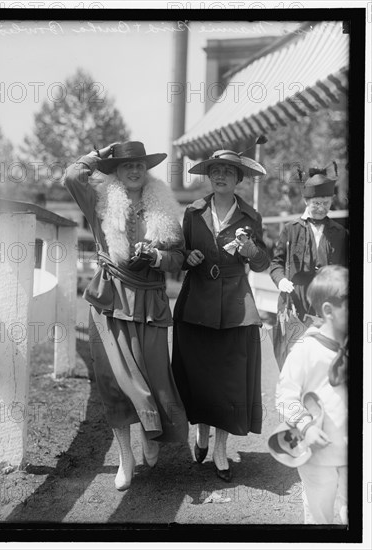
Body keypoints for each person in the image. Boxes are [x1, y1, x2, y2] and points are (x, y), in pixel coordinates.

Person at [64, 141, 189, 491]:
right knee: (112, 378)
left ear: (146, 170)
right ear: (116, 171)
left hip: (150, 301)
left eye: (139, 165)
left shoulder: (164, 207)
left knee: (153, 378)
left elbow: (179, 257)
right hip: (109, 299)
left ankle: (150, 435)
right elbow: (73, 176)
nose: (134, 171)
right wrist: (98, 155)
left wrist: (158, 258)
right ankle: (124, 456)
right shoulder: (100, 202)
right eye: (125, 166)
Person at [172, 148, 270, 482]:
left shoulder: (251, 216)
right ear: (208, 176)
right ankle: (201, 432)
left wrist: (251, 251)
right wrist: (189, 258)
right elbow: (178, 255)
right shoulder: (193, 212)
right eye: (215, 170)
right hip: (196, 303)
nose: (221, 176)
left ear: (239, 178)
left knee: (229, 380)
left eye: (228, 171)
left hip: (235, 308)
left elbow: (261, 262)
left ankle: (220, 449)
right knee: (199, 375)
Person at [274, 265, 348, 524]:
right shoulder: (306, 349)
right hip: (318, 453)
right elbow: (285, 397)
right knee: (320, 515)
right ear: (328, 311)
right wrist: (306, 426)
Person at [270, 168, 348, 322]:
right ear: (306, 201)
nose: (321, 208)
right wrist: (281, 280)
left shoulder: (340, 233)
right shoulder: (290, 229)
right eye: (316, 203)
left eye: (326, 203)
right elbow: (276, 263)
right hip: (296, 301)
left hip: (328, 302)